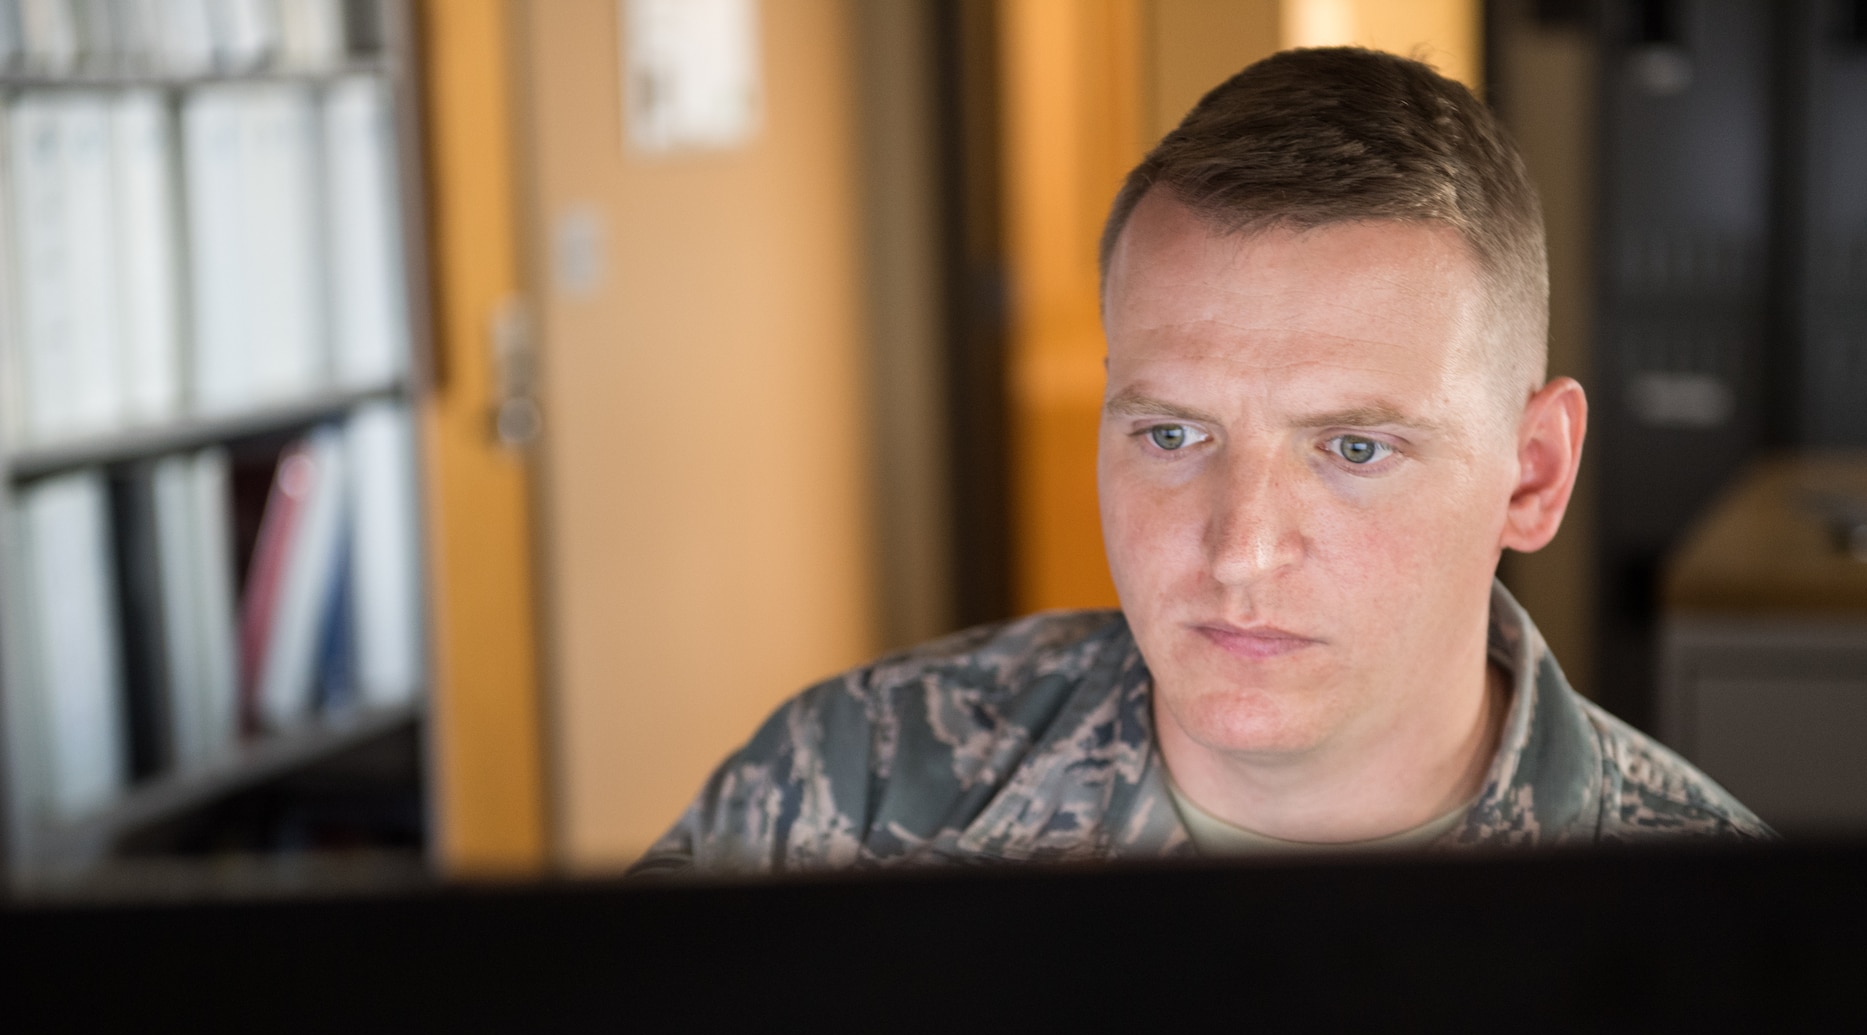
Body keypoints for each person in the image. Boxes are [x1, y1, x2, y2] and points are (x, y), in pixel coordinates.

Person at [634, 46, 1768, 875]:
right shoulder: (855, 790)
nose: (1240, 549)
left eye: (1354, 448)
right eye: (1171, 434)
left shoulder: (1720, 934)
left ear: (1529, 475)